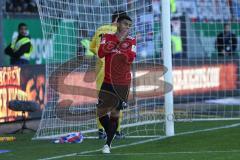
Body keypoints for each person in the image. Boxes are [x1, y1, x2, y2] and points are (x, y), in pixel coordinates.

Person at [97, 15, 136, 154]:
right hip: (107, 81)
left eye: (129, 25)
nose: (127, 27)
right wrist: (114, 44)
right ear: (118, 24)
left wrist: (120, 48)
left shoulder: (132, 40)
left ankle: (107, 144)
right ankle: (111, 133)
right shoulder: (106, 37)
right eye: (125, 24)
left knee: (115, 113)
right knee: (100, 113)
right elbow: (100, 53)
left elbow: (130, 58)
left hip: (122, 83)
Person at [90, 10, 127, 139]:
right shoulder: (121, 33)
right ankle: (116, 131)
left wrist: (102, 56)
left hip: (101, 71)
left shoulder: (100, 29)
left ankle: (101, 131)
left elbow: (91, 48)